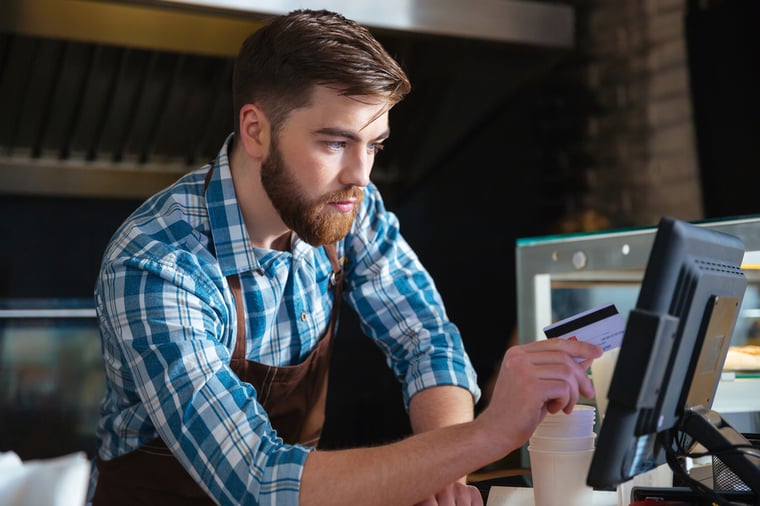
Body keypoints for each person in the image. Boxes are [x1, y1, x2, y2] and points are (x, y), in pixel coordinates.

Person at [88, 9, 602, 506]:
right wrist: (488, 433)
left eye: (374, 145)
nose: (361, 175)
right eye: (336, 142)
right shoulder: (158, 264)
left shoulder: (346, 205)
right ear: (256, 131)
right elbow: (261, 481)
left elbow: (426, 340)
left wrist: (445, 470)